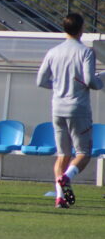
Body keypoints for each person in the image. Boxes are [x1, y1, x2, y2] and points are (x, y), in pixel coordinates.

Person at [37, 13, 103, 208]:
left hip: (57, 107)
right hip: (78, 108)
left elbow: (40, 81)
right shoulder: (85, 52)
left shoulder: (53, 52)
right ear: (81, 28)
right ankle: (66, 178)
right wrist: (99, 83)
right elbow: (90, 80)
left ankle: (60, 198)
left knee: (62, 155)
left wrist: (58, 87)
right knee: (83, 153)